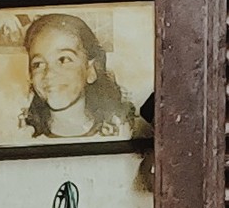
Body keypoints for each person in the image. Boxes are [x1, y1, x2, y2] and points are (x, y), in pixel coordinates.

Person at [19, 11, 140, 143]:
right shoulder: (24, 136)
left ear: (90, 70)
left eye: (63, 60)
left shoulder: (120, 132)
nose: (49, 73)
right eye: (38, 64)